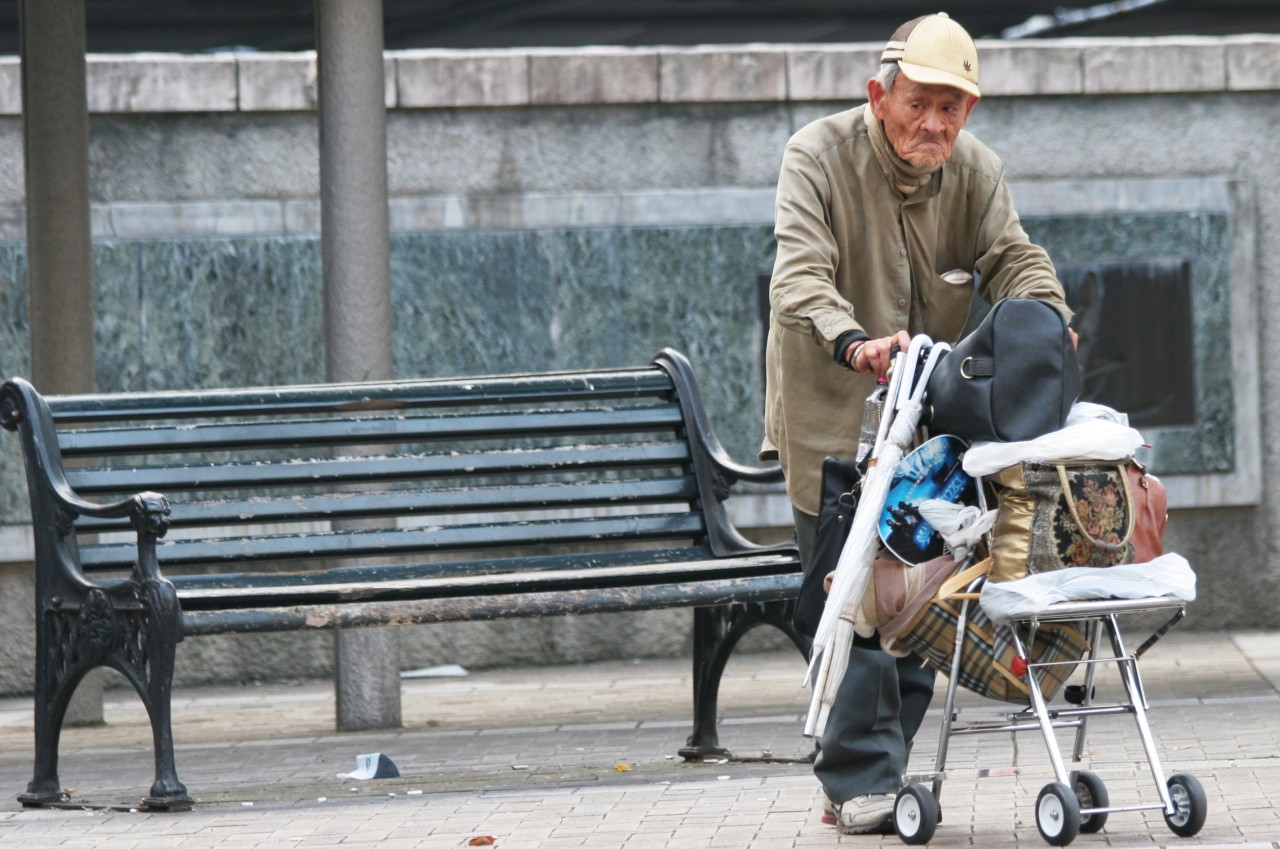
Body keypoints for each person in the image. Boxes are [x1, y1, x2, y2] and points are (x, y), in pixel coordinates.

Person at [760, 12, 1073, 835]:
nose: (935, 124)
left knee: (921, 597)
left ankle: (883, 775)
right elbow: (798, 279)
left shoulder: (976, 170)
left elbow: (1014, 257)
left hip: (931, 430)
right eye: (920, 104)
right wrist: (857, 344)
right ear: (879, 94)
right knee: (854, 597)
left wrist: (1047, 317)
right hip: (833, 420)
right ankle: (858, 778)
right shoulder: (815, 156)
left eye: (954, 108)